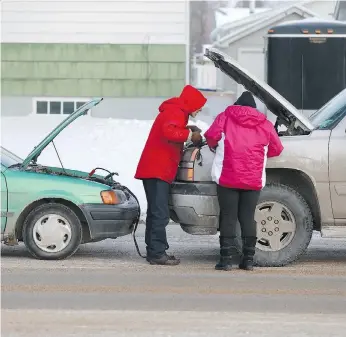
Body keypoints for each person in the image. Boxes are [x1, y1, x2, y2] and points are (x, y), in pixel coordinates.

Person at [204, 91, 283, 271]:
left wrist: (216, 146)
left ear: (237, 105)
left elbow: (210, 136)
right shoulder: (265, 124)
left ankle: (226, 260)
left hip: (227, 177)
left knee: (228, 217)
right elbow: (276, 149)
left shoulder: (225, 117)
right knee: (247, 217)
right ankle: (248, 260)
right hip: (252, 179)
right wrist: (261, 153)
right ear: (254, 108)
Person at [135, 85, 207, 266]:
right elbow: (169, 131)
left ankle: (154, 250)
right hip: (157, 170)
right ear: (191, 104)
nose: (200, 110)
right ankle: (157, 253)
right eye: (199, 107)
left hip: (155, 170)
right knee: (160, 213)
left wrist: (186, 127)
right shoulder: (174, 111)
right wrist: (190, 135)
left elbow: (171, 129)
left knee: (155, 212)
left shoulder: (176, 112)